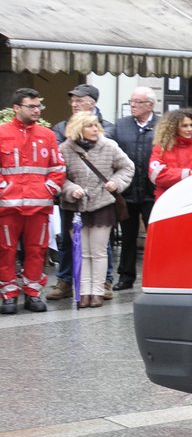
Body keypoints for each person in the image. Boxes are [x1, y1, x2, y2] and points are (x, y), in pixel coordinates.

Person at [57, 111, 134, 308]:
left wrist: (115, 183)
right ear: (78, 128)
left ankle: (98, 291)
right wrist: (71, 189)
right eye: (89, 126)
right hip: (75, 208)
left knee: (98, 251)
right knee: (81, 252)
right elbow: (58, 175)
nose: (95, 129)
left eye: (96, 125)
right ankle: (83, 292)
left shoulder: (108, 146)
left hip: (102, 204)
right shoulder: (65, 149)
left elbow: (127, 167)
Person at [1, 89, 62, 314]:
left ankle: (33, 294)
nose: (37, 110)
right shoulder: (2, 133)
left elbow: (57, 168)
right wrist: (3, 190)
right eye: (32, 106)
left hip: (39, 205)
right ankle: (8, 295)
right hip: (8, 206)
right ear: (17, 108)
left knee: (37, 250)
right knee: (5, 251)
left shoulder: (47, 135)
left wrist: (48, 190)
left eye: (39, 107)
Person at [46, 85, 106, 303]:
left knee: (100, 244)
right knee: (67, 241)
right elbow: (58, 158)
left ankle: (102, 284)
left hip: (100, 198)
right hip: (71, 195)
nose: (74, 104)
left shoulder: (107, 128)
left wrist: (114, 185)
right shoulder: (61, 128)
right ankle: (65, 281)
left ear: (92, 103)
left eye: (79, 100)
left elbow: (119, 163)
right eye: (72, 100)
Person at [108, 87, 159, 291]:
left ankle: (158, 275)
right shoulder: (121, 126)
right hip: (128, 191)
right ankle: (126, 277)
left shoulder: (162, 125)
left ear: (150, 105)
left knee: (155, 236)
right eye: (132, 101)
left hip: (152, 192)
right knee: (127, 237)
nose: (133, 105)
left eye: (138, 102)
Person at [149, 108, 192, 198]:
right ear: (174, 128)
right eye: (184, 126)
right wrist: (189, 173)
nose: (190, 129)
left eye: (191, 125)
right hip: (166, 199)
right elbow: (156, 175)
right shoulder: (161, 148)